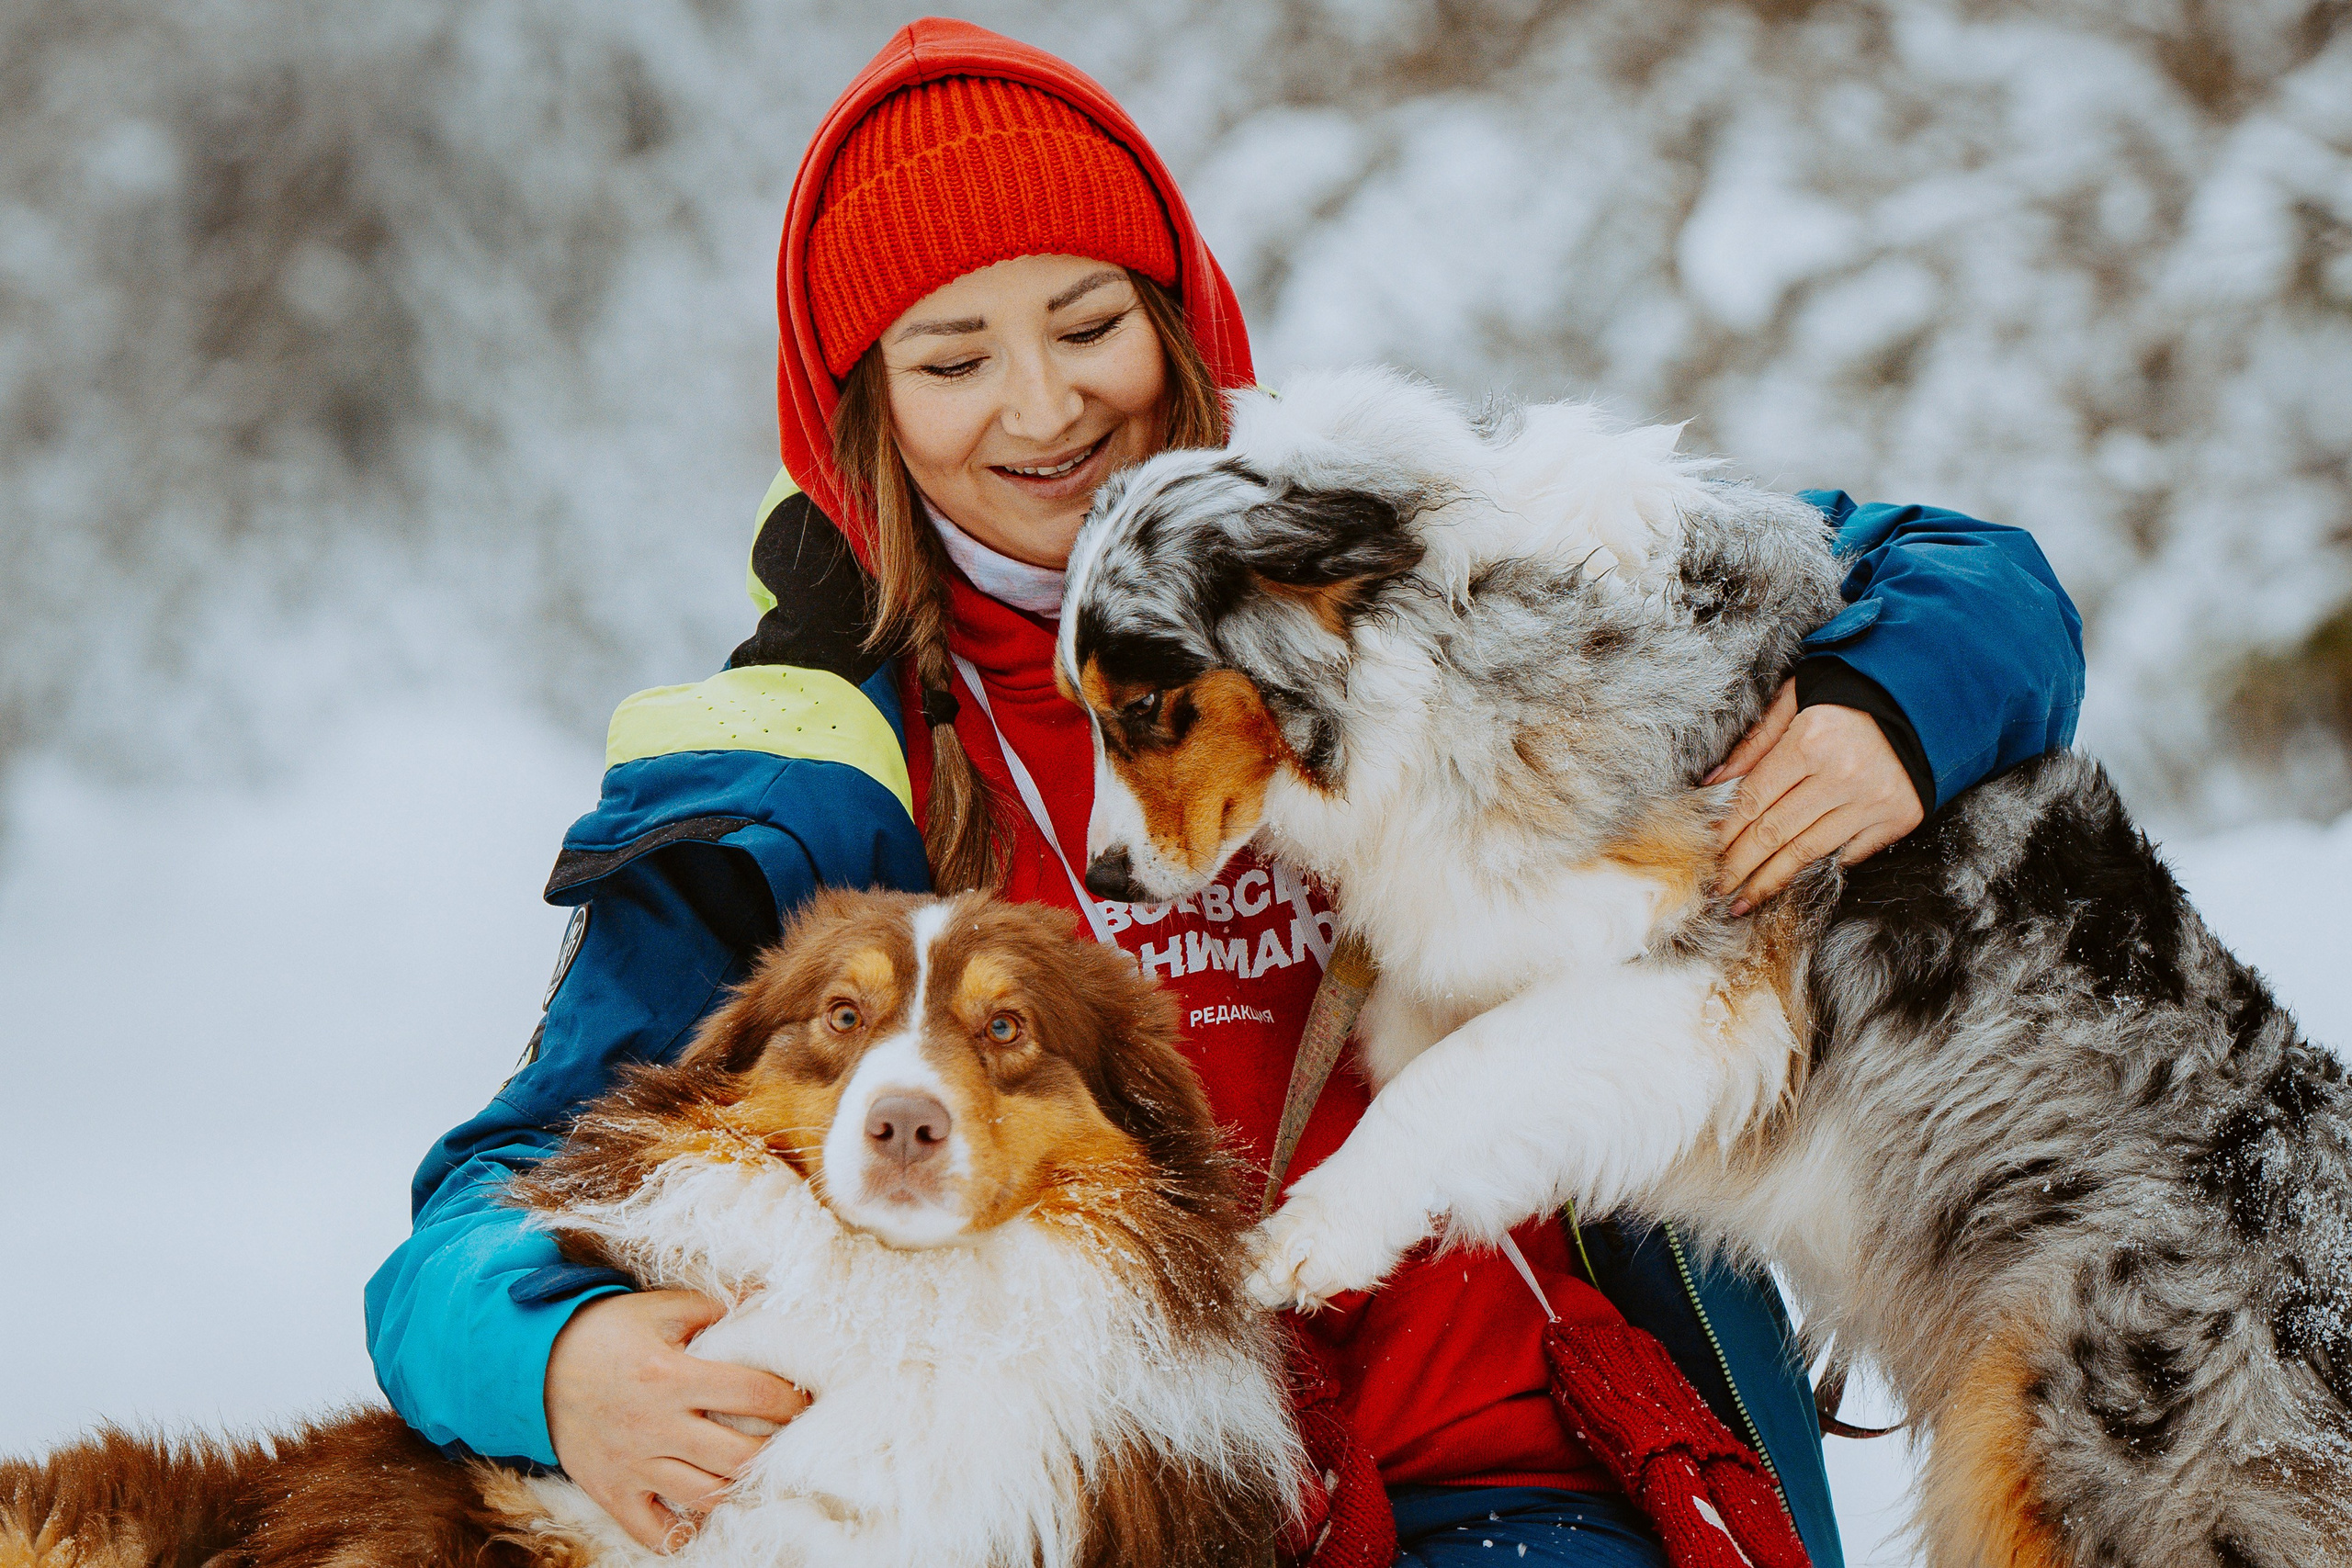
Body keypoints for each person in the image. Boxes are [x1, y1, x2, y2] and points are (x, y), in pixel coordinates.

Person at [364, 19, 2086, 1567]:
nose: (1045, 406)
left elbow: (1959, 570)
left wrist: (1880, 709)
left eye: (1089, 324)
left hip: (1517, 1458)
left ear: (1178, 315)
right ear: (862, 412)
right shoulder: (802, 764)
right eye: (953, 361)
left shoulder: (1379, 547)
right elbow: (493, 1191)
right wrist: (553, 1358)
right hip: (1104, 1499)